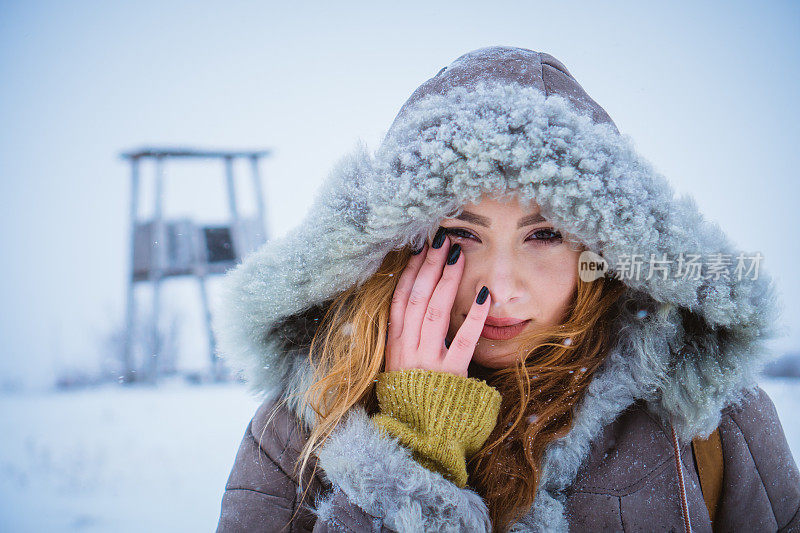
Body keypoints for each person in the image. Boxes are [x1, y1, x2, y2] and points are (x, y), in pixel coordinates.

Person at [213, 46, 800, 532]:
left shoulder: (708, 423)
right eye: (459, 234)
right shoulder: (307, 425)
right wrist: (413, 454)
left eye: (544, 234)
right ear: (401, 242)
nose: (501, 285)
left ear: (599, 250)